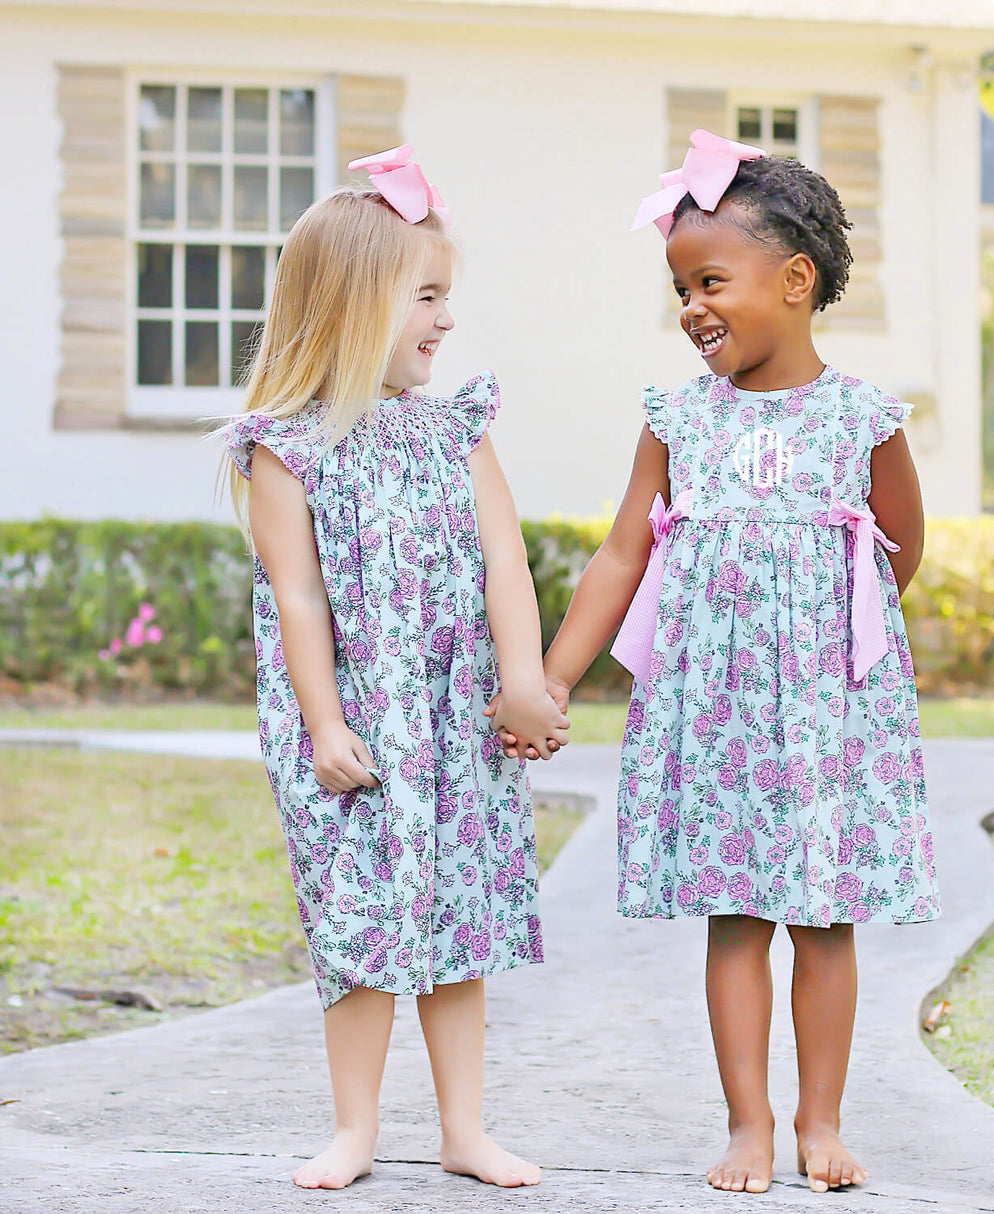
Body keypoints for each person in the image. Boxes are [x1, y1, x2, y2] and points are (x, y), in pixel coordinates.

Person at [495, 130, 940, 1195]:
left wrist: (827, 650)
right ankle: (746, 1123)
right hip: (715, 712)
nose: (690, 305)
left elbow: (897, 548)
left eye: (709, 280)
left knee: (822, 916)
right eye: (678, 286)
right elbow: (621, 553)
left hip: (825, 711)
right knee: (734, 915)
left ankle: (818, 1121)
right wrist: (552, 675)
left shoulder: (861, 418)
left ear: (793, 281)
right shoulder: (676, 419)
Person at [223, 146, 568, 1191]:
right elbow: (299, 596)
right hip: (360, 729)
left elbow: (504, 554)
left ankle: (463, 1125)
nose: (444, 318)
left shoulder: (456, 429)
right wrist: (324, 724)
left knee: (455, 919)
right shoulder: (289, 446)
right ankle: (356, 1126)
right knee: (362, 919)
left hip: (456, 716)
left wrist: (522, 673)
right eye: (426, 294)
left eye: (445, 295)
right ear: (354, 302)